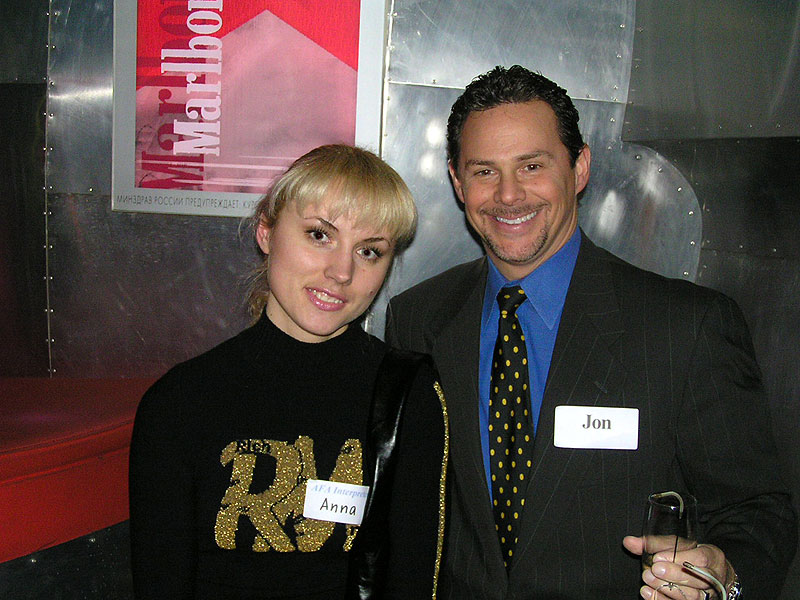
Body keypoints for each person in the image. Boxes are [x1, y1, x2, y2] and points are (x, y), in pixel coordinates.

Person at [385, 65, 796, 599]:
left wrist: (725, 576)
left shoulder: (685, 327)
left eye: (532, 166)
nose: (508, 195)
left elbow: (757, 512)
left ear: (579, 168)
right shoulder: (419, 318)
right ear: (458, 183)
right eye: (485, 171)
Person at [129, 144, 448, 599]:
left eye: (369, 251)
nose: (342, 271)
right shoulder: (180, 402)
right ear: (266, 232)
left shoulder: (407, 395)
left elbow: (413, 578)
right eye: (320, 235)